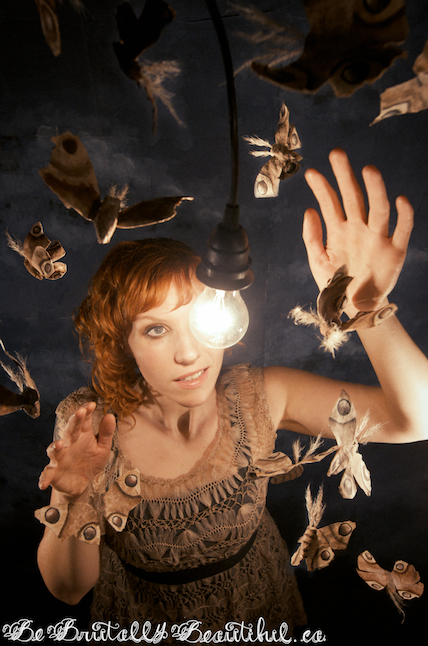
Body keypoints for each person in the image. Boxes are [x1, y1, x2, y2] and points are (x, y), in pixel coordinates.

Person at [36, 149, 428, 641]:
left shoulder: (260, 396)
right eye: (156, 330)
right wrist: (71, 496)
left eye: (200, 319)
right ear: (123, 343)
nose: (189, 353)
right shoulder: (89, 427)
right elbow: (69, 589)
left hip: (258, 608)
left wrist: (366, 306)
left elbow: (415, 419)